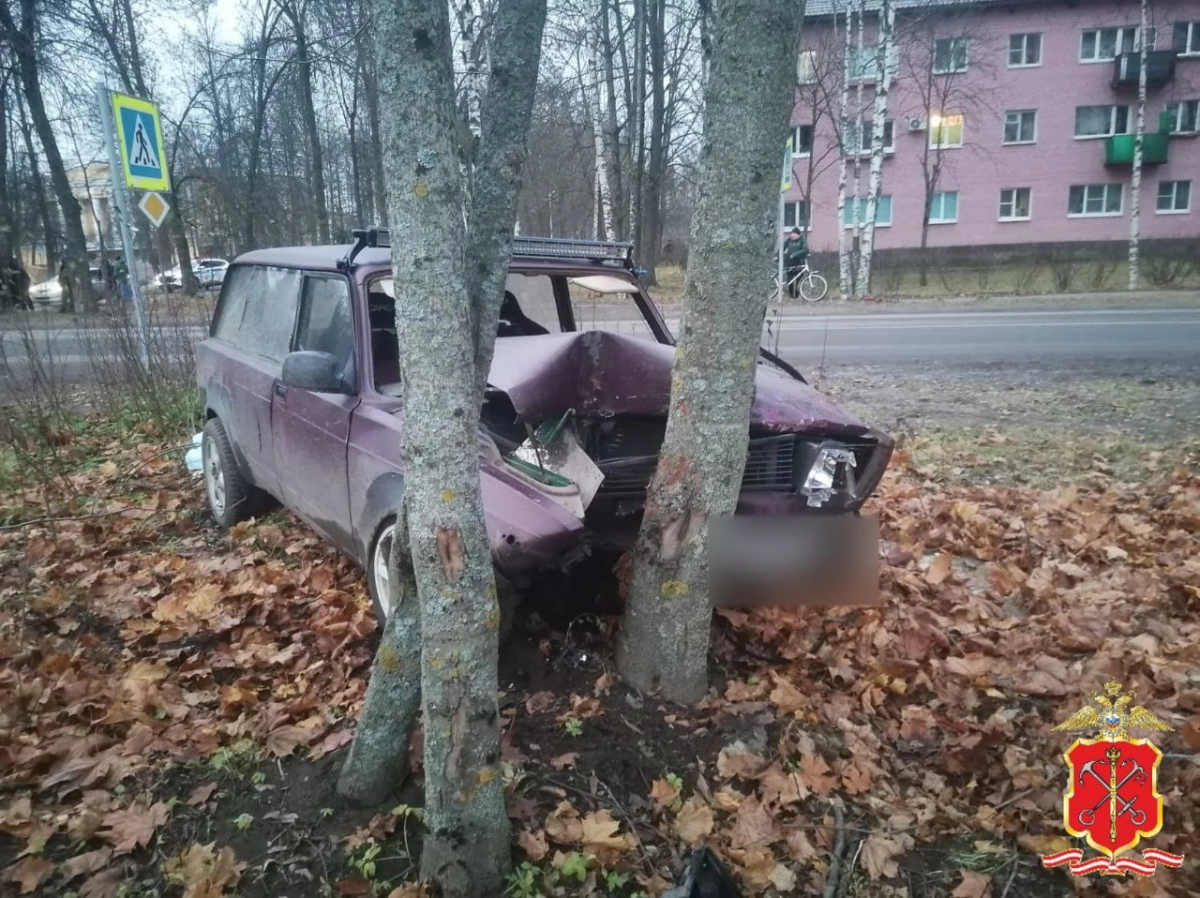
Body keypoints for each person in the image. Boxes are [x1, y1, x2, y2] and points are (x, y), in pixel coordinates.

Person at [782, 228, 808, 298]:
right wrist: (778, 256)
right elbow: (782, 248)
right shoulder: (789, 240)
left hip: (799, 261)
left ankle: (796, 292)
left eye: (794, 234)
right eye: (791, 234)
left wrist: (795, 254)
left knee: (798, 278)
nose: (792, 236)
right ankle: (791, 294)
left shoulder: (802, 240)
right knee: (790, 279)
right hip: (790, 261)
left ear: (798, 234)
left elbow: (805, 249)